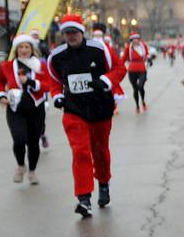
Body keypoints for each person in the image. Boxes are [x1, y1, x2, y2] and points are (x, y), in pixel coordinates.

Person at [47, 14, 126, 217]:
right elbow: (54, 80)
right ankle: (84, 198)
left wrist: (105, 81)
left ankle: (104, 183)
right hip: (75, 110)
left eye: (74, 32)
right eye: (67, 33)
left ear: (82, 32)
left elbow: (119, 68)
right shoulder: (56, 56)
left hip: (100, 108)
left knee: (100, 151)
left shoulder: (99, 49)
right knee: (81, 152)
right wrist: (56, 96)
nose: (71, 36)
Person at [0, 34, 49, 184]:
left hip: (36, 107)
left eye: (27, 47)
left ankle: (32, 171)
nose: (24, 50)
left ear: (32, 49)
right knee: (18, 139)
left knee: (33, 142)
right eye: (21, 47)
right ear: (16, 49)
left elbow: (47, 85)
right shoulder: (8, 65)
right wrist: (1, 96)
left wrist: (30, 81)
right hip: (15, 108)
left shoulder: (40, 66)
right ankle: (20, 166)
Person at [122, 31, 149, 113]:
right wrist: (118, 65)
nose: (135, 40)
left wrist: (149, 58)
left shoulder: (143, 46)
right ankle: (137, 106)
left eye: (137, 39)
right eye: (133, 39)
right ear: (131, 40)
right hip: (132, 70)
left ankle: (143, 102)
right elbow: (124, 58)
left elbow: (147, 54)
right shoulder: (128, 48)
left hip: (142, 69)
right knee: (135, 89)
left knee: (141, 86)